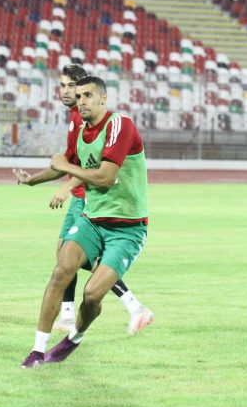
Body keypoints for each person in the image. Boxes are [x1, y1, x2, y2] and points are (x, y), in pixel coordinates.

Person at [16, 76, 150, 368]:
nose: (82, 101)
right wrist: (33, 182)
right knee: (61, 270)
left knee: (91, 295)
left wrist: (65, 167)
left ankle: (74, 338)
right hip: (92, 220)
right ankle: (37, 351)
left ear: (103, 98)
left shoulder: (120, 125)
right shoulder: (81, 133)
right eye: (79, 96)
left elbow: (105, 177)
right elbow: (63, 164)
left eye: (88, 95)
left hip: (127, 229)